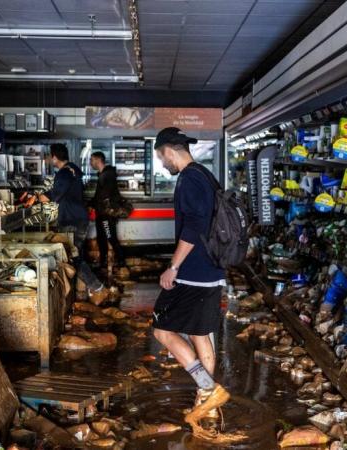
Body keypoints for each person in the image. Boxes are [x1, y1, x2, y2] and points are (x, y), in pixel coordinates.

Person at [150, 127, 229, 438]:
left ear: (170, 150)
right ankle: (207, 400)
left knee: (162, 330)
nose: (162, 164)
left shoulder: (189, 178)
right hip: (211, 270)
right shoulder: (205, 175)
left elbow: (195, 226)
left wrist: (173, 267)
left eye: (160, 157)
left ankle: (209, 387)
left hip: (194, 273)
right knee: (199, 333)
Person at [39, 143, 107, 305]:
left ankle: (97, 288)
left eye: (50, 156)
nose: (49, 159)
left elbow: (56, 194)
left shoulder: (63, 173)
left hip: (71, 220)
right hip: (78, 218)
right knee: (77, 255)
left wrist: (41, 197)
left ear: (55, 157)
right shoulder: (73, 169)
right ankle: (84, 290)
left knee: (73, 257)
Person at [90, 151, 125, 271]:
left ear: (98, 160)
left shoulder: (107, 175)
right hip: (101, 213)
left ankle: (121, 262)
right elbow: (99, 196)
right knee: (101, 238)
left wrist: (94, 204)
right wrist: (92, 204)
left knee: (110, 237)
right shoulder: (102, 174)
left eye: (92, 160)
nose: (91, 163)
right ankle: (103, 262)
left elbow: (105, 196)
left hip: (106, 215)